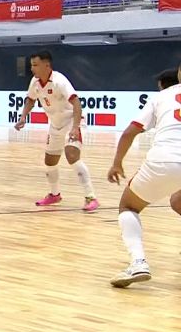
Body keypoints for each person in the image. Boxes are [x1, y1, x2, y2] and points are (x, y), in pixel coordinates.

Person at [107, 66, 181, 288]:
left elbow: (130, 132)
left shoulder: (163, 96)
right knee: (178, 201)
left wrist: (117, 163)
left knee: (128, 206)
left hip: (165, 160)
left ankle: (138, 263)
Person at [14, 51, 99, 212]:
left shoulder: (59, 81)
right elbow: (30, 99)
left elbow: (76, 103)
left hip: (72, 122)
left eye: (35, 65)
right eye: (31, 65)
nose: (32, 69)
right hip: (55, 125)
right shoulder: (35, 82)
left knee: (72, 156)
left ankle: (91, 197)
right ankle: (55, 195)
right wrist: (23, 116)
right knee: (50, 162)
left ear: (47, 65)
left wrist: (75, 127)